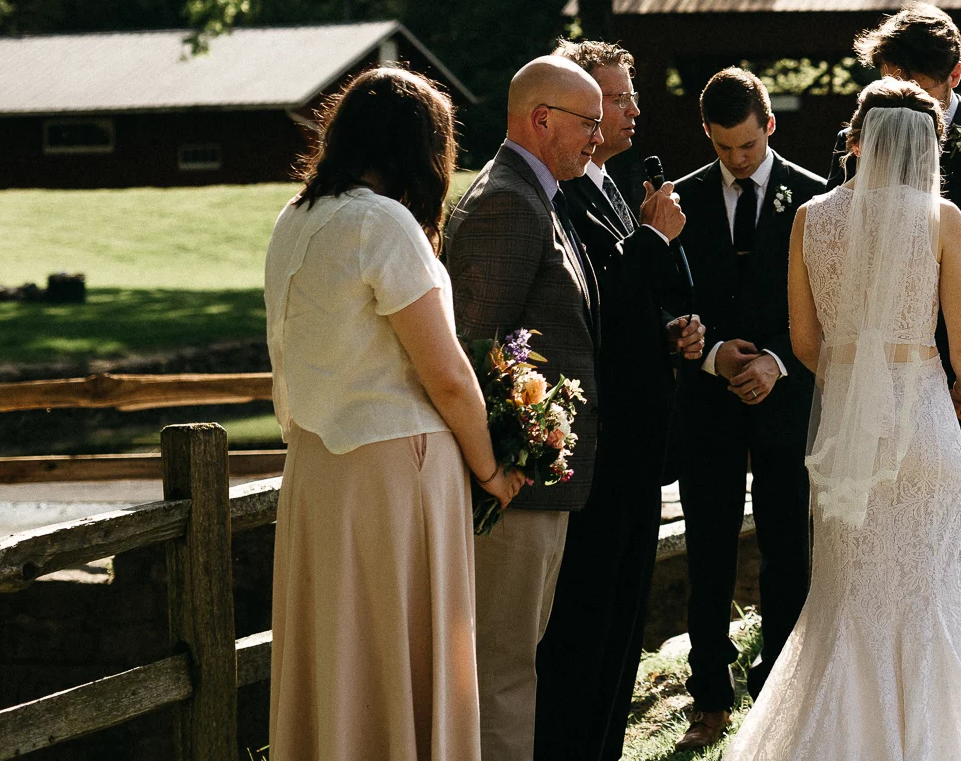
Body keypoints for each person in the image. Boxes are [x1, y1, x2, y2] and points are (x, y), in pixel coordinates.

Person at [723, 78, 961, 760]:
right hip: (925, 425)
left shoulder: (811, 217)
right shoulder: (941, 217)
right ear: (927, 144)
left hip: (848, 434)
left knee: (846, 598)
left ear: (860, 138)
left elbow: (807, 343)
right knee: (927, 598)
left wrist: (856, 379)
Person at [265, 66, 523, 761]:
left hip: (318, 465)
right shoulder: (383, 222)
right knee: (401, 648)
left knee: (338, 652)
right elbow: (444, 373)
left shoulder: (296, 217)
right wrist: (491, 468)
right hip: (393, 466)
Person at [831, 3, 961, 720]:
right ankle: (880, 711)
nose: (904, 96)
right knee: (871, 556)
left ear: (954, 74)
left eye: (916, 80)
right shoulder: (862, 134)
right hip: (875, 393)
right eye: (892, 78)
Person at [532, 39, 701, 760]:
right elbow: (588, 313)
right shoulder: (560, 192)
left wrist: (673, 330)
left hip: (636, 445)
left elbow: (628, 311)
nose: (632, 108)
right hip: (597, 447)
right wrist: (656, 243)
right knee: (586, 630)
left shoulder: (611, 183)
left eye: (629, 96)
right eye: (618, 96)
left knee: (623, 631)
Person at [442, 55, 606, 761]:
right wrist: (503, 465)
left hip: (538, 484)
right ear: (542, 119)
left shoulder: (542, 194)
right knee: (501, 671)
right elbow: (474, 348)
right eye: (589, 124)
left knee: (515, 663)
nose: (597, 139)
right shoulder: (507, 201)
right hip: (511, 489)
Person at [670, 68, 830, 749]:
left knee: (786, 546)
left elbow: (832, 306)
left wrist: (777, 360)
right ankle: (709, 691)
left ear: (769, 123)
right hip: (707, 406)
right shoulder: (679, 199)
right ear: (706, 134)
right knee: (705, 549)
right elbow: (668, 301)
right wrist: (709, 355)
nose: (736, 159)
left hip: (786, 400)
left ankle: (781, 688)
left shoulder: (819, 200)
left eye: (746, 144)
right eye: (722, 146)